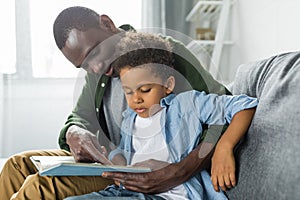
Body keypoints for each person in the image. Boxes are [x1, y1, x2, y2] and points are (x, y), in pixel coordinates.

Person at [0, 6, 231, 200]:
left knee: (38, 188)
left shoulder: (164, 53)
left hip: (133, 173)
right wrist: (74, 131)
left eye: (94, 53)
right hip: (108, 162)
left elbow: (223, 109)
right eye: (85, 65)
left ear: (107, 24)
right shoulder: (98, 72)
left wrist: (178, 171)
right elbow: (80, 116)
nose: (95, 67)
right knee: (16, 165)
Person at [64, 31, 257, 200]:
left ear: (169, 85)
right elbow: (124, 151)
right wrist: (117, 161)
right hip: (129, 191)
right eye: (128, 92)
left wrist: (225, 145)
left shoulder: (188, 104)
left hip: (172, 193)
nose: (136, 100)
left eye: (145, 90)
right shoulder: (130, 118)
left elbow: (245, 105)